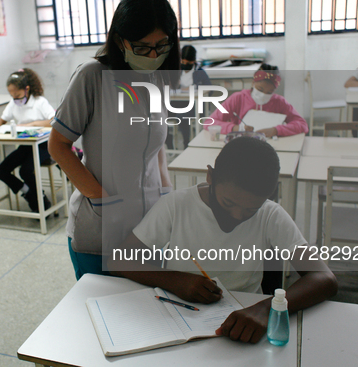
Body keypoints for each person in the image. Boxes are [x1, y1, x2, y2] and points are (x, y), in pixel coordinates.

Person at [108, 137, 337, 344]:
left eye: (250, 210)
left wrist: (266, 309)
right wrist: (175, 281)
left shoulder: (270, 215)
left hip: (247, 321)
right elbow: (119, 261)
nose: (237, 216)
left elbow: (324, 278)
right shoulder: (177, 206)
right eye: (228, 203)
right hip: (181, 318)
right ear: (211, 176)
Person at [48, 0, 179, 280]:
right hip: (101, 226)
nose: (154, 55)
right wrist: (101, 199)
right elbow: (58, 144)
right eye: (143, 47)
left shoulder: (157, 78)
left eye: (162, 44)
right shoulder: (92, 76)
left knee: (146, 315)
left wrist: (168, 196)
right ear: (120, 40)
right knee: (105, 314)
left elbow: (156, 147)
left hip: (148, 228)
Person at [0, 68, 55, 212]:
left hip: (44, 146)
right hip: (26, 146)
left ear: (27, 89)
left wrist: (32, 124)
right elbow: (1, 124)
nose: (16, 98)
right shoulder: (13, 103)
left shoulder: (40, 102)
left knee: (25, 171)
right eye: (12, 95)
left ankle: (41, 199)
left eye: (18, 95)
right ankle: (28, 192)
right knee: (2, 171)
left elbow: (54, 120)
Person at [206, 64, 308, 138]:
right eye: (260, 89)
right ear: (253, 83)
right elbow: (208, 123)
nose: (263, 95)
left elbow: (302, 125)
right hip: (242, 144)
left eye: (269, 92)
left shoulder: (279, 102)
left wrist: (276, 130)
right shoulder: (238, 98)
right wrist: (235, 128)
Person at [166, 45, 212, 149]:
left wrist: (193, 88)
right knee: (160, 115)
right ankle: (168, 142)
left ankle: (186, 143)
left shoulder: (200, 72)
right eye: (183, 62)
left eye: (188, 63)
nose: (185, 65)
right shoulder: (176, 71)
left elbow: (210, 89)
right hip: (176, 103)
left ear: (193, 61)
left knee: (183, 116)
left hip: (193, 106)